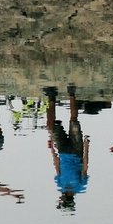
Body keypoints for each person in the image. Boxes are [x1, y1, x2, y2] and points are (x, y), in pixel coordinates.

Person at [44, 84, 89, 212]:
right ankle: (71, 94)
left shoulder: (60, 185)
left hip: (62, 151)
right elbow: (85, 166)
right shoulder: (80, 186)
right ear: (68, 200)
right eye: (62, 201)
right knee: (73, 121)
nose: (60, 199)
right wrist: (86, 146)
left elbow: (57, 166)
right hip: (76, 151)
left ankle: (51, 97)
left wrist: (52, 149)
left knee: (50, 127)